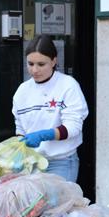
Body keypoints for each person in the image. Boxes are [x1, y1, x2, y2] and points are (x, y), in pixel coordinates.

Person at [13, 34, 88, 183]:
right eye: (30, 63)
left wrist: (44, 135)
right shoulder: (22, 91)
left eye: (41, 64)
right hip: (31, 163)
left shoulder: (68, 85)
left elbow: (73, 127)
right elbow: (20, 128)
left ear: (54, 61)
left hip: (61, 162)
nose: (34, 70)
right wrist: (18, 152)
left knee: (57, 205)